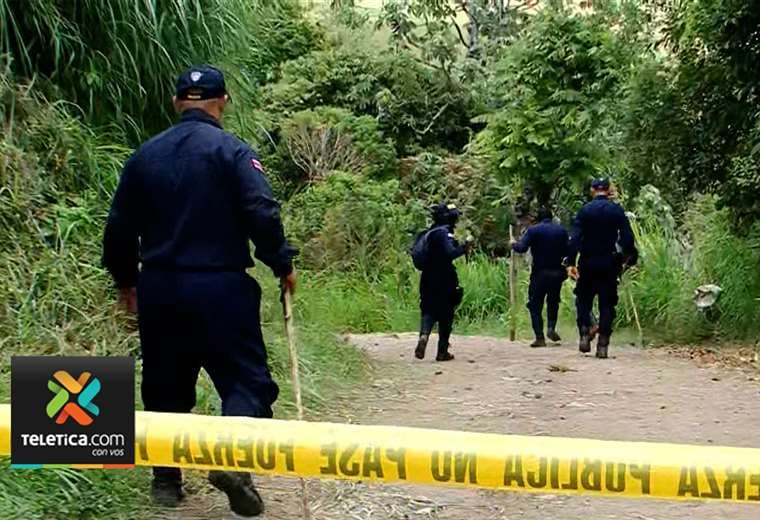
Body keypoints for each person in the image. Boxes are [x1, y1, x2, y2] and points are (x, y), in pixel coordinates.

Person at [102, 65, 296, 517]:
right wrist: (281, 263)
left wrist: (126, 283)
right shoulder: (233, 152)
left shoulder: (144, 156)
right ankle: (231, 461)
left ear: (176, 103)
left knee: (163, 384)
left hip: (160, 287)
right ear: (223, 101)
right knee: (246, 382)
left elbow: (119, 227)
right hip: (221, 286)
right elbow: (261, 210)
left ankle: (166, 482)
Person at [565, 178, 637, 358]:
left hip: (587, 262)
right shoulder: (616, 211)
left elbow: (575, 239)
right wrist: (627, 257)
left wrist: (571, 262)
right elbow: (627, 238)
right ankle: (603, 344)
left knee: (583, 299)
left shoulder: (584, 211)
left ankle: (585, 331)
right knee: (607, 303)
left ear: (592, 190)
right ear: (608, 189)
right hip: (609, 262)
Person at [414, 203, 469, 362]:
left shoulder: (428, 233)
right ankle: (442, 351)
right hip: (444, 277)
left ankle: (424, 335)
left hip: (427, 278)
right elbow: (449, 253)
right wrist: (464, 248)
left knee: (428, 309)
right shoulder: (443, 234)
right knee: (446, 313)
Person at [511, 207, 569, 347]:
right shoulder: (561, 231)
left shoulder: (533, 231)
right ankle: (551, 327)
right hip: (557, 272)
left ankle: (539, 337)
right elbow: (568, 251)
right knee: (553, 301)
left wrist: (513, 243)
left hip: (539, 273)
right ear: (551, 217)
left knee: (535, 304)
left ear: (538, 218)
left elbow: (521, 248)